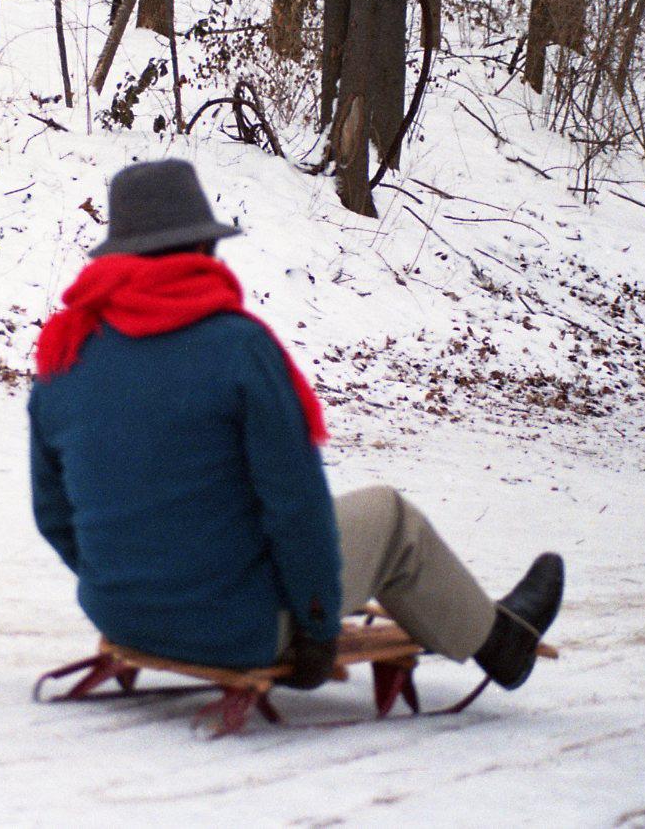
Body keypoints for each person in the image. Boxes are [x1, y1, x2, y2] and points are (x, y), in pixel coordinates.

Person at [29, 160, 564, 691]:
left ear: (119, 253)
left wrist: (130, 588)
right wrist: (314, 628)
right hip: (239, 628)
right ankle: (501, 644)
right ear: (202, 250)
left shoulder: (64, 352)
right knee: (392, 518)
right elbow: (296, 505)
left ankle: (491, 628)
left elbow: (54, 515)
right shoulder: (237, 349)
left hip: (122, 616)